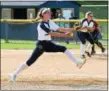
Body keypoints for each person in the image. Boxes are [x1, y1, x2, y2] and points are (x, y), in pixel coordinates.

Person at [9, 8, 86, 82]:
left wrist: (73, 29)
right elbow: (52, 33)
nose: (49, 13)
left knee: (63, 48)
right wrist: (66, 35)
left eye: (49, 12)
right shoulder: (41, 25)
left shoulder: (49, 21)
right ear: (43, 15)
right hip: (42, 45)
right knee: (29, 62)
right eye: (47, 12)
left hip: (48, 43)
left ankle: (77, 62)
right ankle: (14, 74)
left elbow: (59, 29)